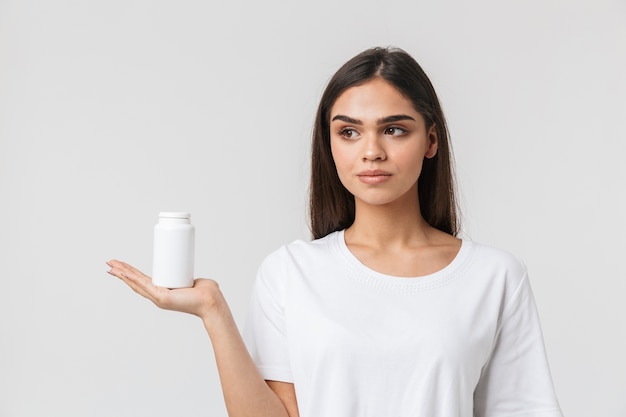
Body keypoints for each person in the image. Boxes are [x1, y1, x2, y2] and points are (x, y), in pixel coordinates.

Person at [107, 46, 563, 417]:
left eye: (394, 130)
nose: (371, 151)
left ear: (431, 141)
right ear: (329, 143)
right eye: (349, 132)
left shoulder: (494, 276)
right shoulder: (290, 273)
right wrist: (213, 310)